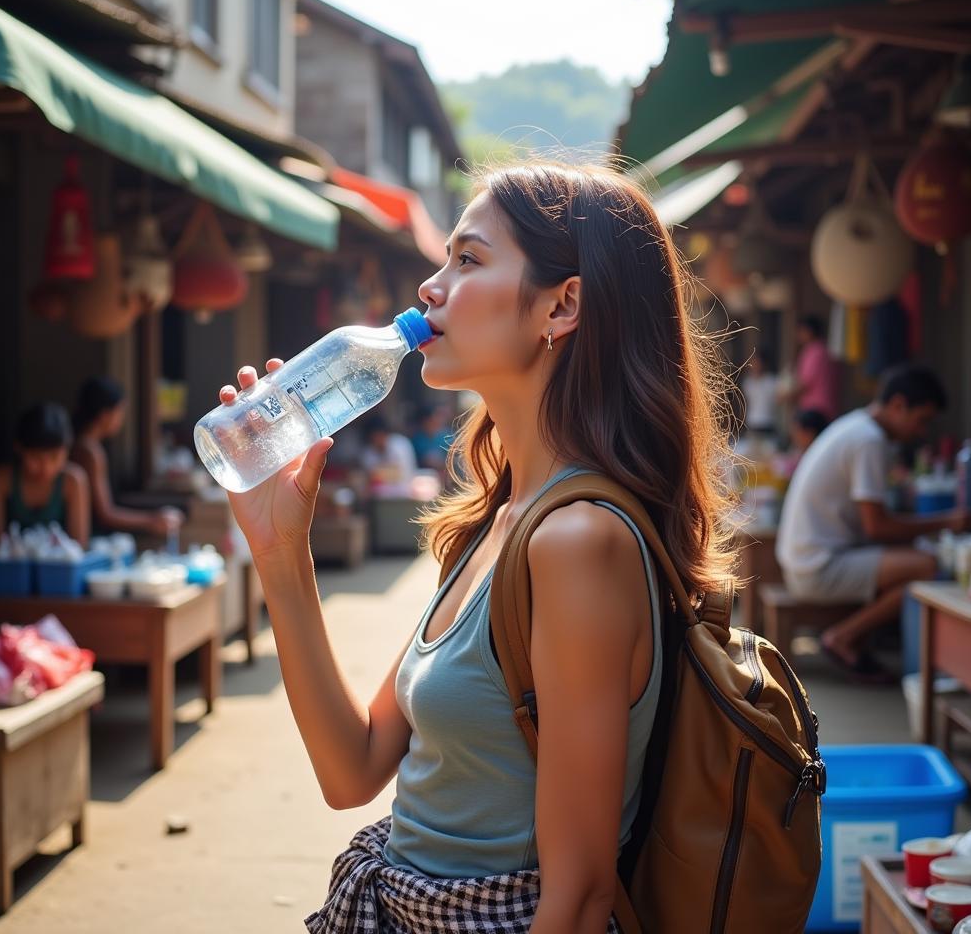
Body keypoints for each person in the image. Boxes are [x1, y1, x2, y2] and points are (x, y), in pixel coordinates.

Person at [214, 161, 735, 932]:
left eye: (468, 259)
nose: (429, 288)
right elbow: (350, 769)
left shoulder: (577, 541)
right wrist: (279, 548)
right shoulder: (501, 522)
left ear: (563, 307)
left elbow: (581, 896)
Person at [776, 365, 966, 683]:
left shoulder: (856, 425)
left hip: (804, 558)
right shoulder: (869, 440)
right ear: (898, 405)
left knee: (916, 559)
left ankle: (857, 638)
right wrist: (948, 521)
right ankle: (843, 637)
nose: (922, 432)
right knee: (928, 567)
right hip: (818, 567)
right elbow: (877, 527)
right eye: (922, 420)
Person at [70, 377, 183, 537]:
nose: (121, 418)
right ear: (105, 414)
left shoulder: (81, 445)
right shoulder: (90, 452)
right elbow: (106, 514)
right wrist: (152, 521)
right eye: (120, 411)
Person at [0, 402, 90, 546]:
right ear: (19, 448)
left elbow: (79, 544)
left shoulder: (72, 481)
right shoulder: (3, 480)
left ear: (67, 450)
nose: (45, 467)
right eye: (35, 457)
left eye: (54, 457)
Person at [785, 314, 839, 421]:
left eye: (800, 331)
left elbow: (806, 382)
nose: (798, 335)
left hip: (815, 408)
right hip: (826, 406)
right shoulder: (824, 349)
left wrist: (786, 396)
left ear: (808, 331)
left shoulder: (814, 351)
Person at [360, 416, 419, 493]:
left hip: (405, 492)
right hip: (380, 497)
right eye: (374, 437)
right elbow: (371, 477)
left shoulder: (400, 444)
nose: (377, 439)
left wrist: (380, 474)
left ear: (385, 433)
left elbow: (402, 473)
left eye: (379, 435)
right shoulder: (368, 453)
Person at [741, 348, 780, 436]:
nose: (755, 366)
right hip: (753, 423)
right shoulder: (748, 383)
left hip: (768, 422)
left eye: (758, 363)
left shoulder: (772, 381)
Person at [409, 404, 454, 477]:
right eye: (432, 419)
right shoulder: (417, 440)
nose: (437, 420)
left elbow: (455, 460)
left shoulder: (447, 437)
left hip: (448, 477)